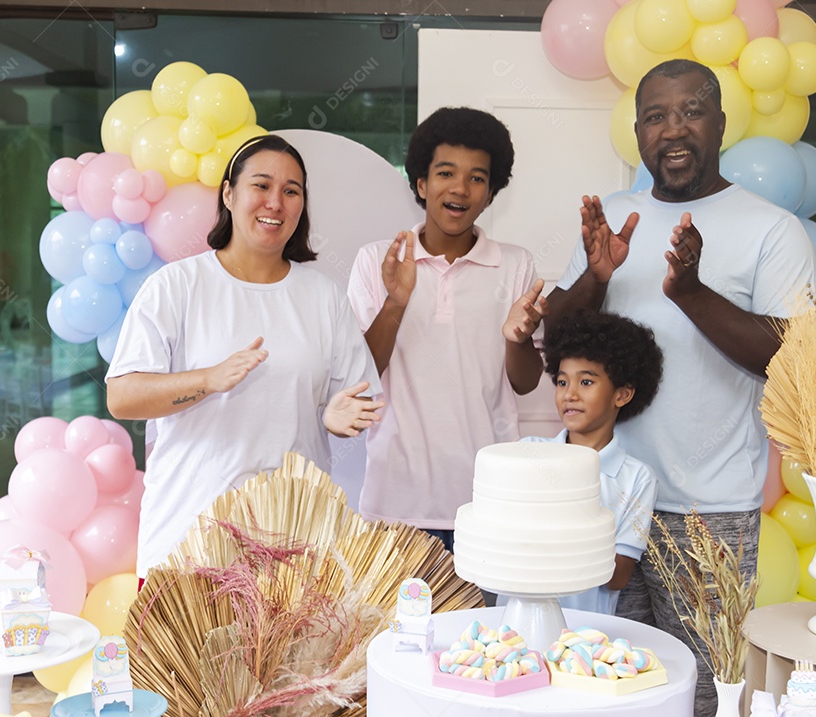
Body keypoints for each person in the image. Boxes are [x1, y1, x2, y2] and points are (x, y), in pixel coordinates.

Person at [544, 59, 816, 717]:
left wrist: (691, 291)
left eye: (691, 111)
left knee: (704, 691)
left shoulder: (772, 230)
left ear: (721, 123)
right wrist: (597, 277)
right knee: (603, 683)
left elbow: (790, 361)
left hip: (706, 513)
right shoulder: (612, 217)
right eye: (656, 115)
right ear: (637, 129)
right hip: (602, 499)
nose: (674, 129)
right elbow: (556, 337)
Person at [107, 134, 383, 579]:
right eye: (262, 185)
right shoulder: (177, 285)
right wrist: (208, 379)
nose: (276, 202)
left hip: (295, 551)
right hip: (189, 545)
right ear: (229, 194)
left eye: (291, 191)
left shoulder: (323, 297)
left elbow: (355, 397)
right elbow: (123, 397)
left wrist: (334, 415)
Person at [347, 107, 547, 551]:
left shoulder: (516, 264)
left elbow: (526, 381)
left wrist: (516, 338)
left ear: (492, 193)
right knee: (395, 624)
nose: (460, 188)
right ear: (421, 183)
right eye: (445, 173)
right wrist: (396, 303)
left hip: (488, 503)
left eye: (477, 178)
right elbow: (360, 377)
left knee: (483, 624)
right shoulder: (378, 260)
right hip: (394, 504)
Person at [520, 309, 662, 616]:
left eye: (585, 382)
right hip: (515, 629)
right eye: (561, 382)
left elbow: (617, 576)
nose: (569, 394)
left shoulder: (637, 478)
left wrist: (550, 531)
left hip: (588, 638)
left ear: (622, 394)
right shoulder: (528, 453)